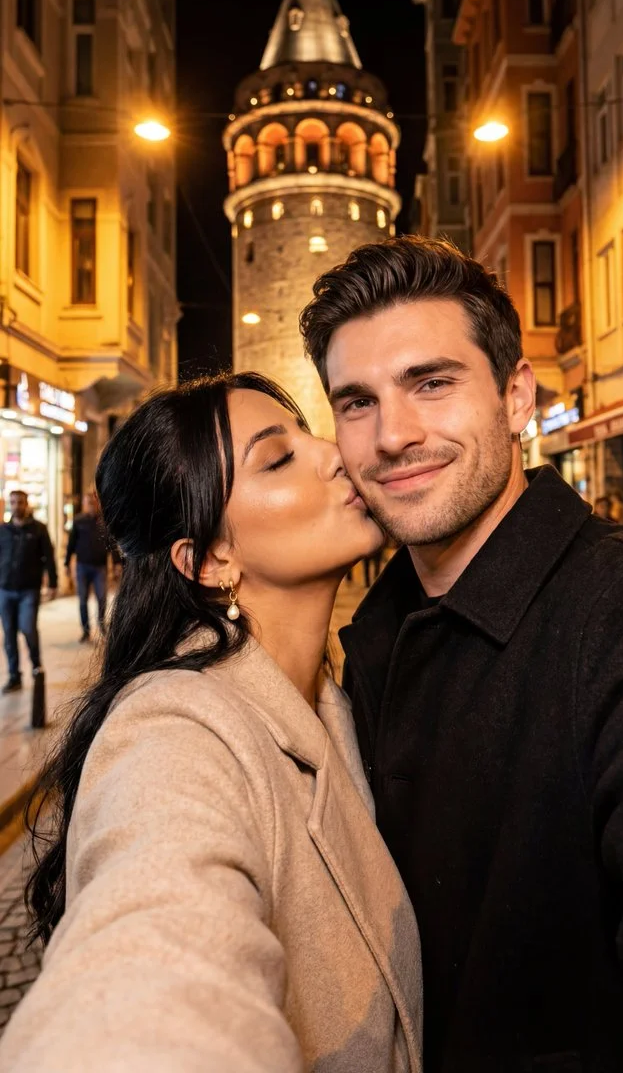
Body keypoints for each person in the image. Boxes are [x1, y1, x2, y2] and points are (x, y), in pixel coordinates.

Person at [300, 235, 623, 1072]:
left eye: (431, 383)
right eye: (356, 402)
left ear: (515, 398)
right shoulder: (376, 636)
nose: (393, 435)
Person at [1, 373, 421, 1072]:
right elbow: (151, 958)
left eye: (309, 434)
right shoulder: (173, 730)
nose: (336, 454)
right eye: (278, 459)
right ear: (209, 559)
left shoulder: (338, 702)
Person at [0, 490, 57, 694]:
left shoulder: (39, 529)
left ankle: (36, 665)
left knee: (28, 628)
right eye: (13, 502)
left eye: (20, 502)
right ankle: (14, 676)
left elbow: (49, 557)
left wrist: (53, 583)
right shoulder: (3, 530)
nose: (17, 506)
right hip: (5, 589)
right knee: (9, 635)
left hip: (29, 590)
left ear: (26, 504)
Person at [65, 491, 114, 641]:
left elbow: (111, 544)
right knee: (82, 600)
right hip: (82, 567)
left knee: (102, 598)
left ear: (98, 503)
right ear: (84, 504)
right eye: (88, 503)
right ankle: (86, 630)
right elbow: (71, 543)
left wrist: (117, 563)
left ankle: (102, 626)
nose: (91, 505)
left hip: (100, 567)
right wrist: (67, 563)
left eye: (93, 502)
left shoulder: (104, 522)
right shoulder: (78, 521)